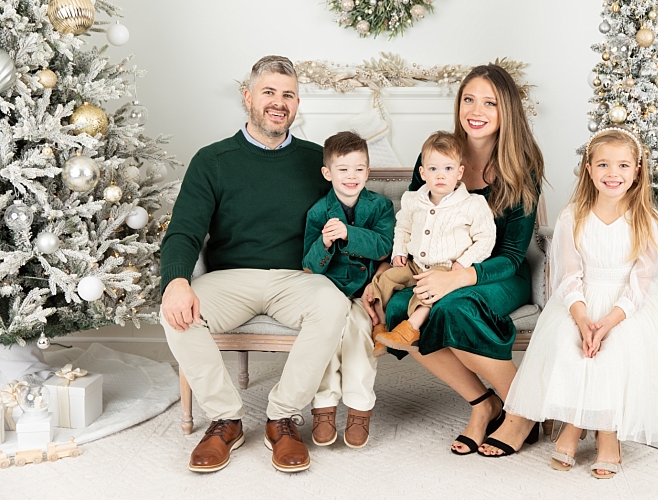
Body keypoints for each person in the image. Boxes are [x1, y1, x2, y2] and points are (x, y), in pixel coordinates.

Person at [160, 55, 351, 473]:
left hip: (296, 278)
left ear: (297, 105)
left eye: (288, 95)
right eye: (269, 92)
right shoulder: (212, 160)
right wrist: (176, 281)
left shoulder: (318, 161)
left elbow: (354, 216)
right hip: (230, 279)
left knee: (333, 305)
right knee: (175, 312)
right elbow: (184, 231)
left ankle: (281, 417)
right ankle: (226, 419)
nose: (278, 102)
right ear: (247, 97)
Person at [361, 64, 546, 456]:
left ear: (506, 111)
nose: (476, 110)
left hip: (497, 273)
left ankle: (522, 410)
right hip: (435, 269)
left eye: (490, 103)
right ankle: (483, 405)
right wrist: (389, 270)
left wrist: (459, 278)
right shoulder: (436, 156)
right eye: (469, 99)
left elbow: (513, 256)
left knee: (453, 307)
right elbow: (412, 218)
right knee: (398, 308)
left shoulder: (523, 165)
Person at [483, 128, 658, 478]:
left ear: (637, 170)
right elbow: (567, 274)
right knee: (569, 346)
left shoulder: (648, 220)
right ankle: (573, 423)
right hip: (580, 303)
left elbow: (643, 281)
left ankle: (607, 435)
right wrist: (582, 316)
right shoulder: (573, 215)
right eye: (603, 164)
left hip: (626, 308)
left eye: (622, 165)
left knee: (615, 353)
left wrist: (608, 321)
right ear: (588, 169)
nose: (612, 173)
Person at [302, 131, 396, 449]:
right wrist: (325, 242)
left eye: (359, 168)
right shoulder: (317, 212)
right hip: (328, 292)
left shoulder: (381, 206)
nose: (351, 176)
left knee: (357, 332)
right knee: (327, 335)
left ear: (368, 171)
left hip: (362, 292)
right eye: (343, 169)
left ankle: (359, 408)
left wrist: (349, 233)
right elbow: (309, 266)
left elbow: (384, 247)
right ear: (328, 173)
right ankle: (324, 407)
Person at [370, 131, 498, 353]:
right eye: (433, 169)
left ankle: (410, 328)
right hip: (414, 264)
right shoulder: (413, 199)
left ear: (459, 172)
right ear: (422, 172)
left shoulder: (472, 204)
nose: (440, 175)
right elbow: (403, 227)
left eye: (448, 169)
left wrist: (464, 263)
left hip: (444, 267)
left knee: (428, 292)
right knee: (385, 280)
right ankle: (380, 329)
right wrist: (399, 251)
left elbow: (486, 239)